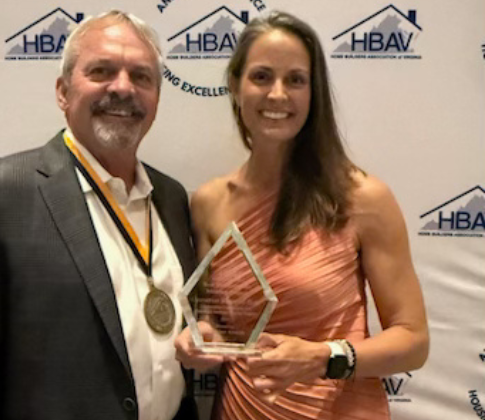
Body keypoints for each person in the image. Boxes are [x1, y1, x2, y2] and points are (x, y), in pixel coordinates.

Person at [0, 10, 197, 420]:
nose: (123, 87)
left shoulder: (171, 197)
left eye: (142, 77)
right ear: (63, 92)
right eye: (102, 71)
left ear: (157, 96)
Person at [175, 10, 429, 420]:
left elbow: (413, 341)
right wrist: (202, 339)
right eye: (261, 77)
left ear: (314, 93)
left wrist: (324, 357)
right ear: (235, 86)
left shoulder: (363, 198)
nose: (277, 94)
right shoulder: (208, 203)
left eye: (295, 80)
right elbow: (214, 323)